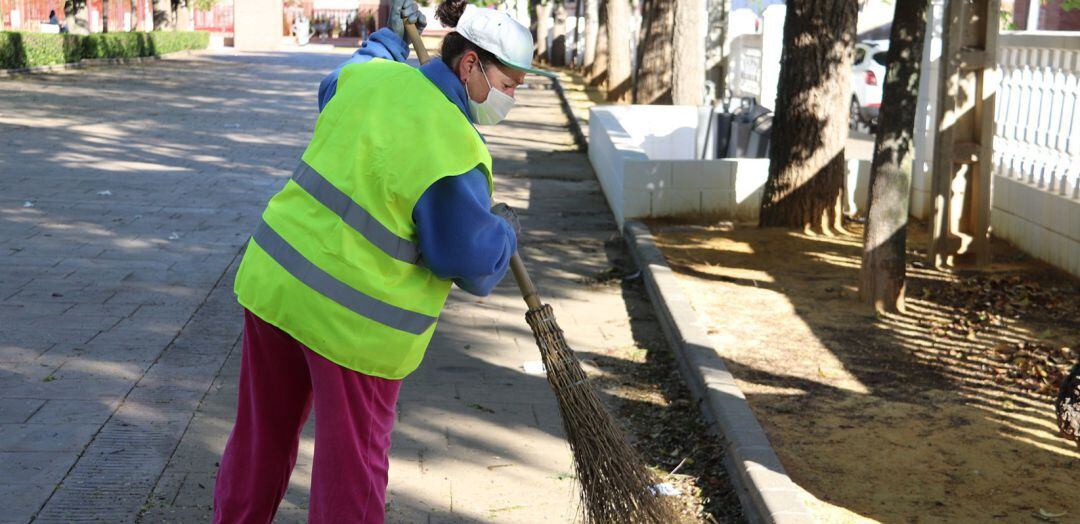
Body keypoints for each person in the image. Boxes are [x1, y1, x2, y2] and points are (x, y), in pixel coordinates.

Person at [211, 0, 553, 522]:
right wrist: (504, 229)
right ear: (470, 65)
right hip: (355, 328)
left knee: (261, 441)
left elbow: (334, 85)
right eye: (509, 85)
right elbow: (467, 261)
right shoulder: (456, 147)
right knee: (350, 474)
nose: (511, 98)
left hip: (275, 287)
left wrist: (389, 40)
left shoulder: (374, 79)